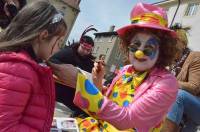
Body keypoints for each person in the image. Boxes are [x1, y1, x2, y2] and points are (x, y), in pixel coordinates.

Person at [72, 2, 178, 132]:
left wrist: (82, 87)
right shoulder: (126, 70)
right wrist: (97, 81)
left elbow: (128, 120)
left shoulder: (166, 83)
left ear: (162, 51)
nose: (139, 52)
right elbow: (111, 104)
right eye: (135, 45)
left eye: (149, 48)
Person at [0, 1, 70, 131]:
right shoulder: (19, 70)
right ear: (44, 35)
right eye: (58, 42)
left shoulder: (24, 65)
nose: (58, 49)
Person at [49, 26, 97, 117]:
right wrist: (67, 69)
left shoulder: (89, 63)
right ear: (80, 44)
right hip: (58, 87)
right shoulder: (68, 53)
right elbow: (52, 61)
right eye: (83, 48)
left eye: (88, 50)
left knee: (85, 111)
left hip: (74, 92)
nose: (85, 52)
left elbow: (91, 77)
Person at [162, 24, 200, 132]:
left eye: (174, 40)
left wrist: (170, 83)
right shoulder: (171, 64)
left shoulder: (195, 57)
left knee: (178, 95)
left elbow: (195, 87)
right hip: (186, 114)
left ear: (183, 44)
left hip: (197, 104)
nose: (170, 44)